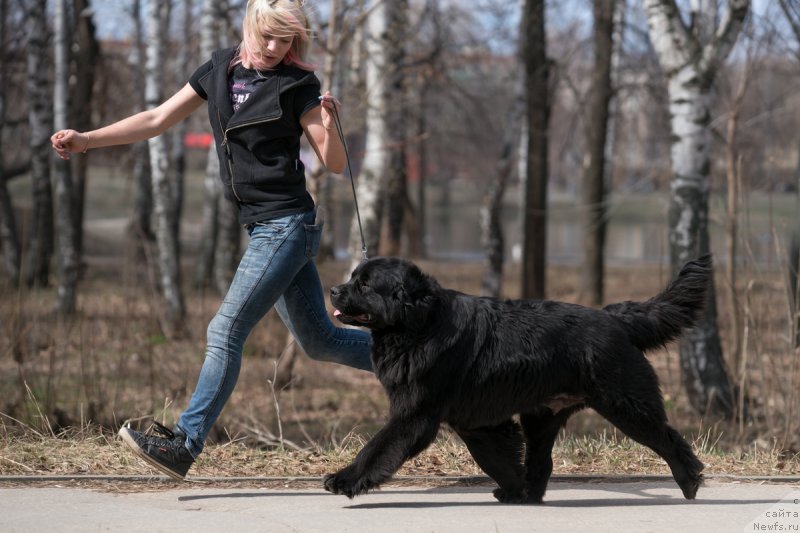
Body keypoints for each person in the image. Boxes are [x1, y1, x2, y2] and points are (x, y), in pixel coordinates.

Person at [51, 0, 372, 480]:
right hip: (265, 228)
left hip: (286, 226)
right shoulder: (218, 69)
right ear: (251, 24)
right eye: (267, 35)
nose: (274, 47)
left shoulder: (298, 84)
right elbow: (157, 119)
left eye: (285, 40)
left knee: (224, 331)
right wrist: (87, 140)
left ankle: (184, 442)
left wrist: (328, 125)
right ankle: (431, 359)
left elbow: (336, 163)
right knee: (321, 341)